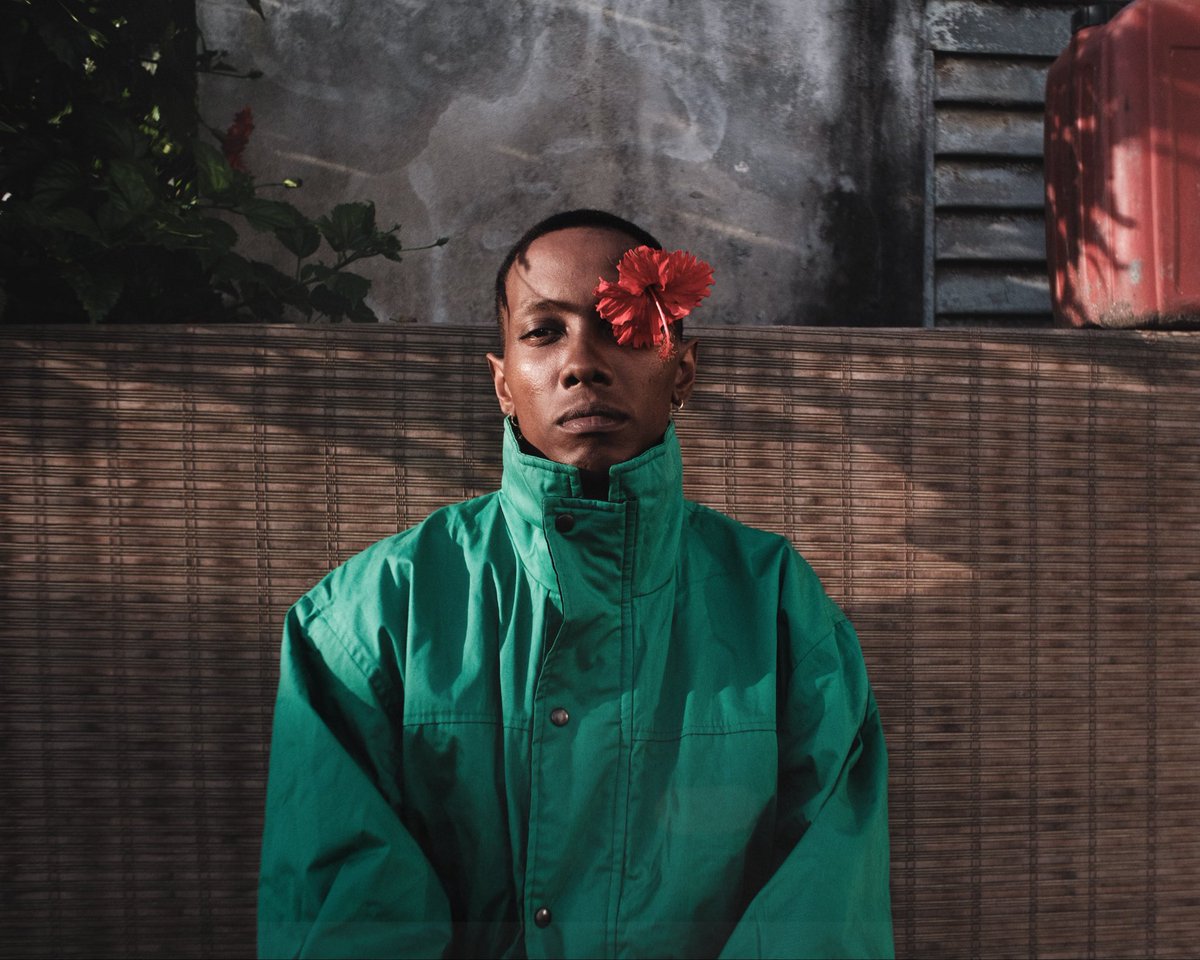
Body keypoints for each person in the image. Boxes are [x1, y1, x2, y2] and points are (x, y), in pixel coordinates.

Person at [257, 209, 894, 959]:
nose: (582, 361)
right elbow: (347, 916)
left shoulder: (778, 607)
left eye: (621, 324)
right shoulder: (367, 618)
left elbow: (821, 906)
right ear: (502, 383)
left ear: (681, 369)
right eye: (543, 331)